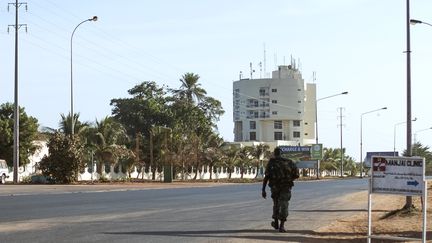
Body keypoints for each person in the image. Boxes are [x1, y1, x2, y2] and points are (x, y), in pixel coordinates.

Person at [261, 147, 299, 232]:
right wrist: (289, 179)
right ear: (281, 154)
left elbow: (266, 177)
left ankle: (276, 222)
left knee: (276, 204)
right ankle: (281, 225)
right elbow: (296, 174)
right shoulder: (289, 162)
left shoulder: (271, 163)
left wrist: (263, 190)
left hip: (275, 187)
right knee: (284, 205)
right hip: (285, 187)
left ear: (274, 153)